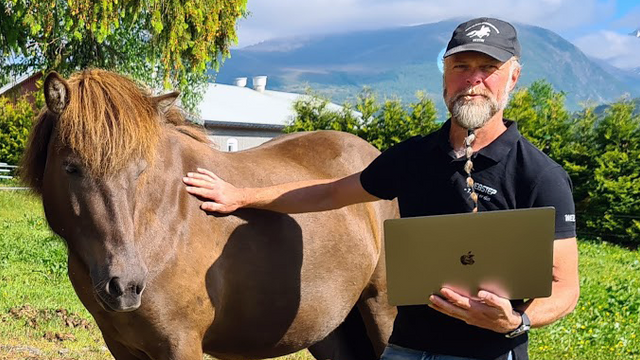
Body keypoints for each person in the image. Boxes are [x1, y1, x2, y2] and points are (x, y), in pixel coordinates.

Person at [182, 17, 579, 360]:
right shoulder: (413, 157)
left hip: (489, 352)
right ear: (444, 75)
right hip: (405, 347)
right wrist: (241, 195)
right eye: (461, 66)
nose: (473, 80)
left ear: (513, 77)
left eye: (487, 68)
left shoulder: (540, 176)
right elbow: (331, 193)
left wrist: (516, 320)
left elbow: (565, 288)